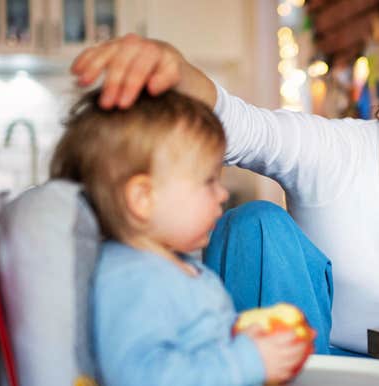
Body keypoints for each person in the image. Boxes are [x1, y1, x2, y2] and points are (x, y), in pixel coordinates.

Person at [70, 15, 379, 355]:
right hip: (283, 363)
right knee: (258, 224)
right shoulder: (333, 150)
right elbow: (241, 126)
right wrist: (174, 68)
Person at [49, 89, 310, 385]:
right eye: (208, 181)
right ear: (143, 198)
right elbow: (141, 378)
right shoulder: (132, 279)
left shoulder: (176, 267)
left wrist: (243, 339)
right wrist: (247, 360)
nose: (222, 194)